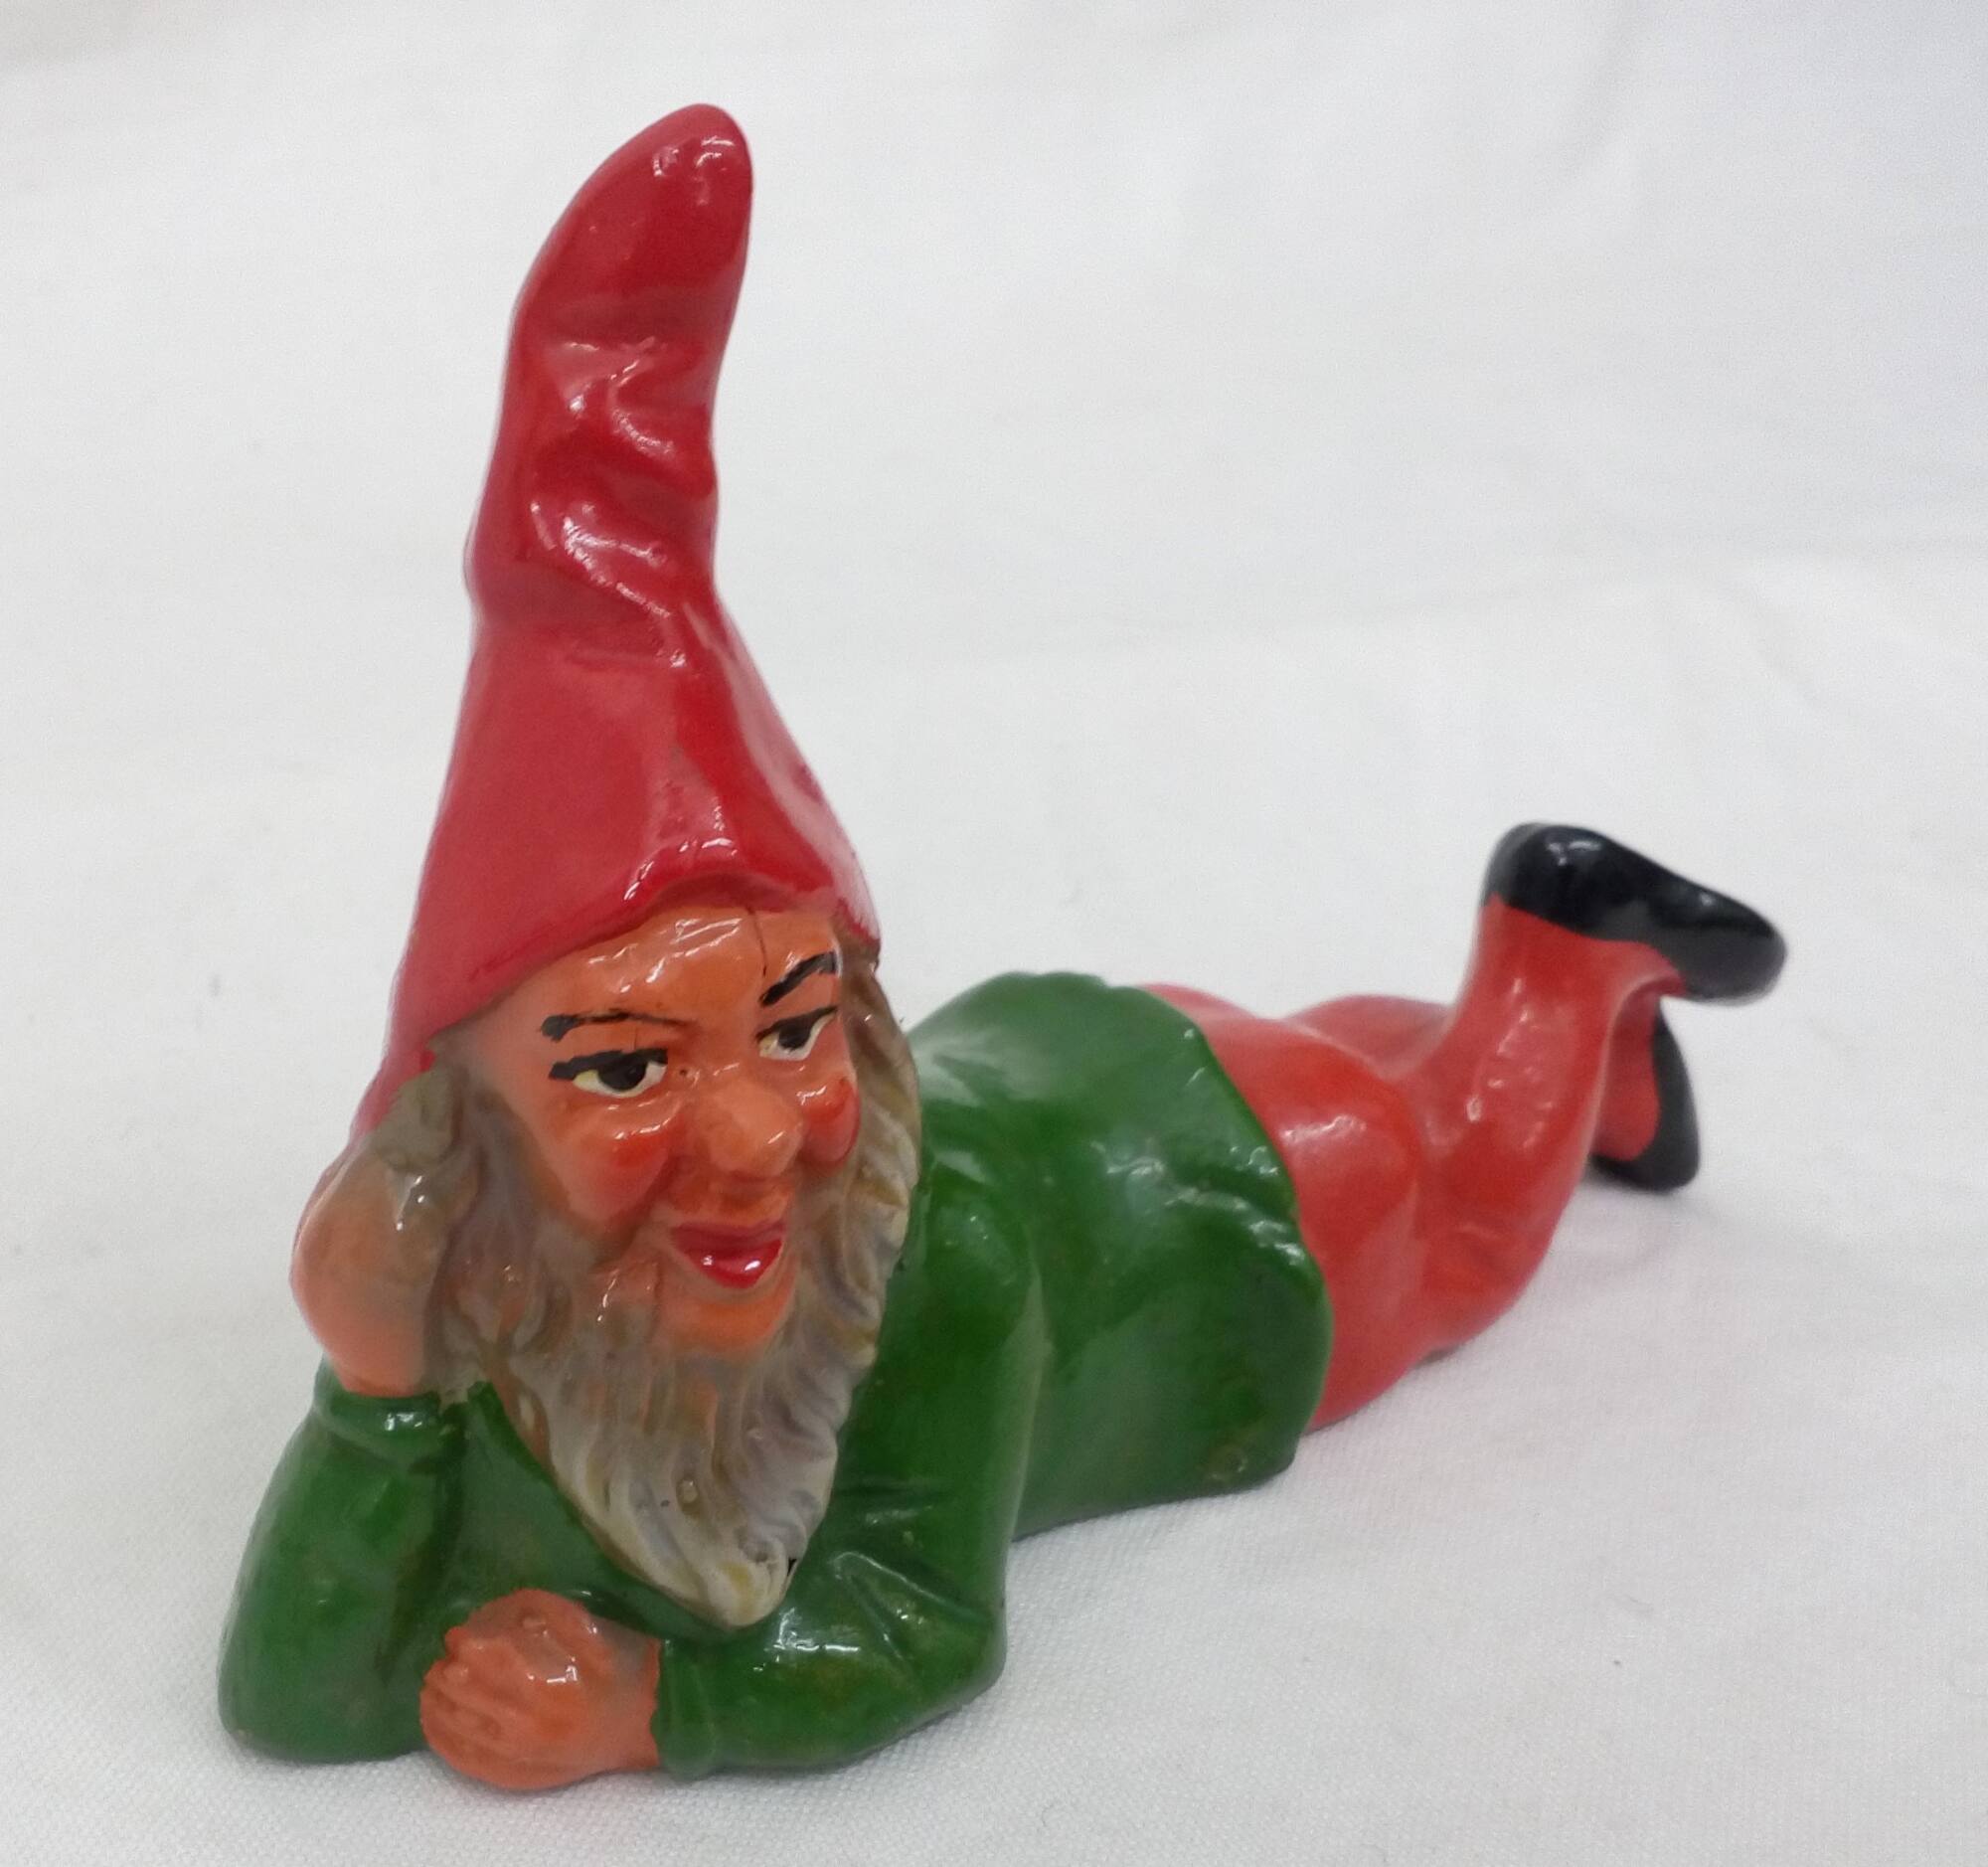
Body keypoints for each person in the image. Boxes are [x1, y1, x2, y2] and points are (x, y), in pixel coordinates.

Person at [219, 105, 1784, 1789]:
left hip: (1208, 1203)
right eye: (625, 1067)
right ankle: (1572, 1049)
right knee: (1350, 1057)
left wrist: (651, 1708)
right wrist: (372, 1386)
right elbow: (294, 1705)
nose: (752, 1134)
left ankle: (1558, 956)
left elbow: (923, 1614)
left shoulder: (939, 1266)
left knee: (1460, 1203)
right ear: (459, 1123)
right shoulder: (482, 1270)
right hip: (1056, 1056)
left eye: (799, 1028)